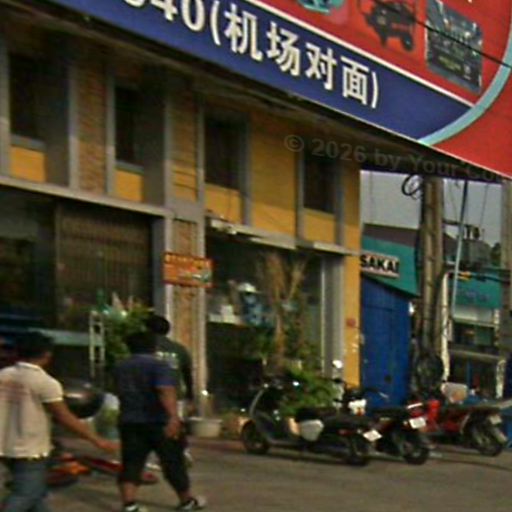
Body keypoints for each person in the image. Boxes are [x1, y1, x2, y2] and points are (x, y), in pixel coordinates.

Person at [0, 331, 117, 512]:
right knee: (25, 495)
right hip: (29, 449)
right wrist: (97, 440)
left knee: (36, 494)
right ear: (47, 355)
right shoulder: (45, 383)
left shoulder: (4, 375)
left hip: (4, 445)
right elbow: (64, 417)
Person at [114, 331, 205, 512]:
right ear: (153, 347)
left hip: (130, 420)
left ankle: (129, 504)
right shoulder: (159, 366)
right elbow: (165, 391)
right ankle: (186, 501)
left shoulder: (120, 367)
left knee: (132, 462)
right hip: (157, 420)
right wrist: (173, 417)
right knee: (172, 462)